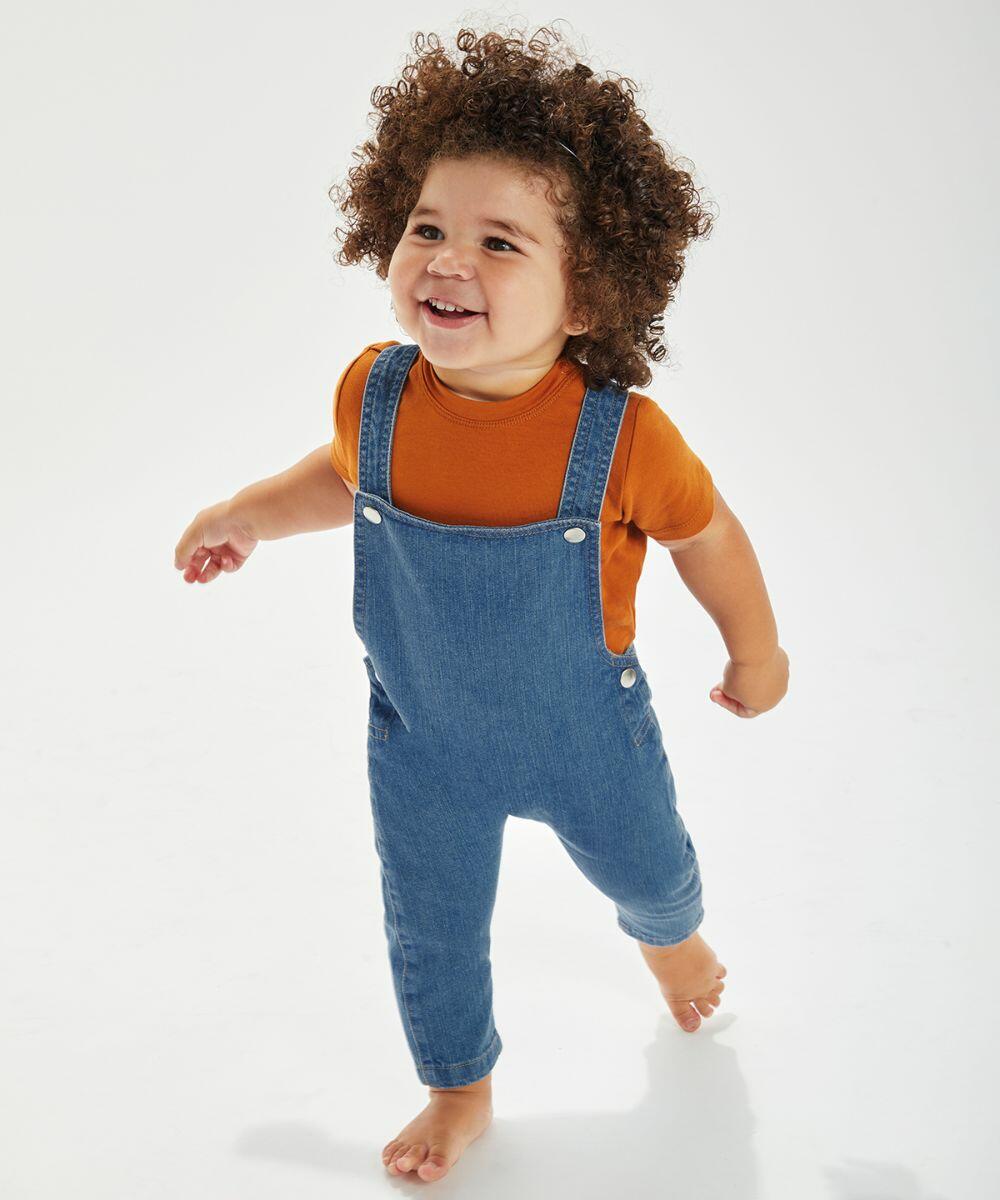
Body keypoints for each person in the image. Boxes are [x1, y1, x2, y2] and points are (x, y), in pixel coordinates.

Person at [173, 24, 789, 1185]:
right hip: (426, 743)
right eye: (427, 229)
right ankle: (457, 1088)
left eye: (499, 242)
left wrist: (754, 648)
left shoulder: (621, 438)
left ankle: (671, 943)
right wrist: (246, 512)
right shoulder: (379, 391)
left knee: (652, 871)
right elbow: (341, 476)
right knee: (431, 932)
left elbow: (708, 538)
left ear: (589, 291)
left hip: (585, 742)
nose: (446, 261)